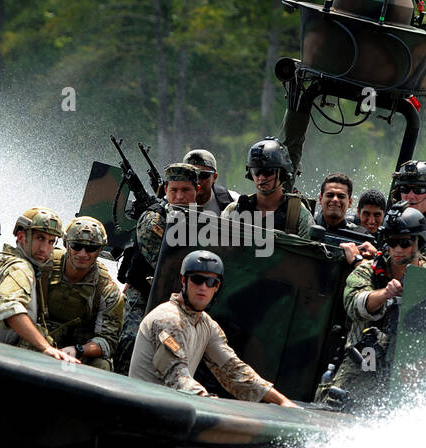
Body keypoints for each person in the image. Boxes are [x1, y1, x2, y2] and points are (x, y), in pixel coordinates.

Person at [129, 250, 297, 405]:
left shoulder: (205, 324)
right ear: (183, 281)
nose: (203, 287)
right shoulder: (168, 319)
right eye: (197, 279)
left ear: (217, 287)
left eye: (211, 282)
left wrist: (282, 402)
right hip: (144, 412)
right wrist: (206, 399)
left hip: (170, 410)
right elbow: (176, 376)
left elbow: (233, 370)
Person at [316, 204, 426, 408]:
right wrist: (386, 294)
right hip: (365, 360)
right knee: (330, 408)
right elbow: (355, 303)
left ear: (418, 243)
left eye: (404, 243)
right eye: (391, 242)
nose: (397, 249)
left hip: (410, 363)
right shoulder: (367, 271)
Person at [0, 207, 80, 362]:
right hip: (11, 358)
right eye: (40, 238)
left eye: (51, 241)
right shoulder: (21, 269)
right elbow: (10, 307)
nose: (45, 248)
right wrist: (45, 347)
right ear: (21, 237)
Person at [115, 163, 201, 371]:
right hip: (145, 293)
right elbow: (162, 263)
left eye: (186, 190)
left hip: (181, 296)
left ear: (197, 190)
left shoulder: (202, 221)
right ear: (165, 190)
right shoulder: (154, 218)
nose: (179, 196)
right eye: (174, 190)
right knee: (132, 340)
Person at [41, 216, 125, 371]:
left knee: (102, 365)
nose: (83, 253)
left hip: (75, 353)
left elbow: (108, 341)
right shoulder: (43, 266)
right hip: (37, 339)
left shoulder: (107, 290)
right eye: (77, 246)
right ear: (66, 244)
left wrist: (79, 350)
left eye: (91, 248)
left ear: (99, 250)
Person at [222, 137, 313, 238]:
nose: (261, 178)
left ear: (282, 174)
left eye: (268, 172)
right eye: (256, 171)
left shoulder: (297, 214)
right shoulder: (234, 209)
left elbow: (310, 251)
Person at [313, 172, 375, 264]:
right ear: (320, 199)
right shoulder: (307, 225)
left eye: (341, 196)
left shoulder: (360, 237)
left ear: (350, 202)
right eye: (330, 195)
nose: (335, 199)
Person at [183, 148, 234, 216]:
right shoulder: (170, 201)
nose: (197, 181)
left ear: (214, 177)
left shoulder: (232, 201)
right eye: (190, 175)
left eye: (203, 175)